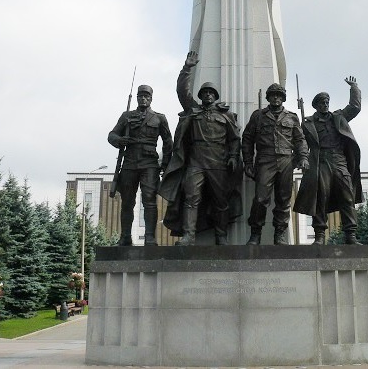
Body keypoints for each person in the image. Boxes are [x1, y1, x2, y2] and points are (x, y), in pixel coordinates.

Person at [159, 51, 242, 245]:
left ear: (215, 96)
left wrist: (233, 156)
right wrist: (187, 68)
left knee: (221, 201)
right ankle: (189, 235)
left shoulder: (226, 116)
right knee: (191, 198)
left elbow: (235, 138)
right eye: (204, 93)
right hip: (196, 161)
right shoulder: (193, 111)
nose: (208, 95)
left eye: (211, 93)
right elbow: (182, 92)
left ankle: (221, 236)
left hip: (218, 161)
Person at [292, 76, 364, 245]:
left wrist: (354, 88)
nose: (325, 105)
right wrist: (299, 160)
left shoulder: (338, 117)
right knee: (320, 197)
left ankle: (351, 235)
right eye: (322, 103)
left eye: (327, 102)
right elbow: (301, 143)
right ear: (316, 105)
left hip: (339, 160)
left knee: (347, 196)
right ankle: (319, 235)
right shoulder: (308, 123)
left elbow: (355, 107)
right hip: (320, 161)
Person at [241, 82, 309, 245]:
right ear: (268, 97)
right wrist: (248, 162)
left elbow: (300, 140)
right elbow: (247, 140)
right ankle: (255, 233)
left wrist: (303, 158)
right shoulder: (258, 116)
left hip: (286, 160)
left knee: (284, 200)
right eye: (273, 95)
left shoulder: (292, 117)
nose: (276, 98)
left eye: (279, 95)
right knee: (260, 199)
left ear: (283, 98)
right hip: (265, 160)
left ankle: (280, 234)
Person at [107, 84, 173, 246]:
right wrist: (119, 140)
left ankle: (150, 236)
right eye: (140, 96)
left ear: (151, 98)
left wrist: (165, 164)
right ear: (137, 98)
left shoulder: (159, 118)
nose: (143, 98)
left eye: (146, 96)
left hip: (149, 163)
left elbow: (168, 141)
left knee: (149, 200)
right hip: (129, 162)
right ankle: (125, 237)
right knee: (127, 201)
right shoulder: (126, 116)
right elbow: (112, 135)